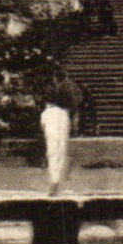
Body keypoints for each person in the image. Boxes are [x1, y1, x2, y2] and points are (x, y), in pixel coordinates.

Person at [42, 66, 81, 195]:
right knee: (58, 150)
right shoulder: (66, 86)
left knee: (55, 150)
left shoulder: (62, 87)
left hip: (56, 113)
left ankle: (56, 180)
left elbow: (73, 101)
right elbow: (75, 101)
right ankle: (56, 180)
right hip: (60, 114)